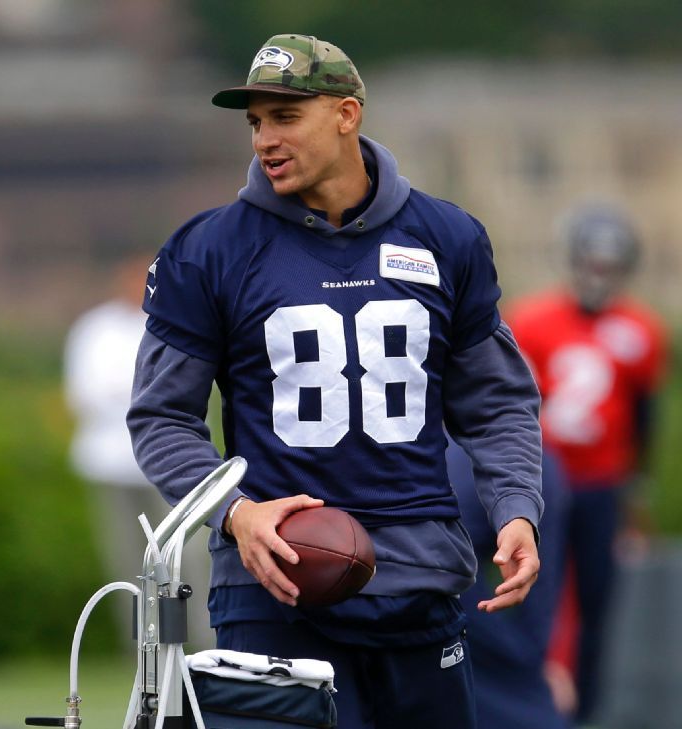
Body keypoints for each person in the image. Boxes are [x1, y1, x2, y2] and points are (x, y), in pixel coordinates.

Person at [128, 34, 543, 729]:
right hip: (276, 585)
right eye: (255, 121)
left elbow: (496, 401)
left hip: (419, 578)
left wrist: (517, 509)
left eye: (285, 117)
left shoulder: (447, 238)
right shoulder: (209, 250)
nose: (265, 138)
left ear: (347, 114)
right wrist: (238, 512)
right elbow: (161, 417)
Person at [507, 205, 668, 724]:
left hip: (602, 482)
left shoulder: (641, 329)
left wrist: (634, 490)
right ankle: (530, 701)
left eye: (610, 265)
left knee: (598, 599)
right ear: (574, 261)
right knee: (536, 594)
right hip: (543, 480)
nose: (599, 275)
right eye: (592, 262)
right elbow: (506, 409)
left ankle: (587, 710)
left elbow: (644, 417)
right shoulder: (532, 321)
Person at [64, 254, 213, 647]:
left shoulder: (171, 325)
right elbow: (87, 394)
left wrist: (133, 394)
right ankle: (142, 647)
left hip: (168, 464)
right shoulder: (95, 329)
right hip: (111, 465)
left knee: (186, 558)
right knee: (127, 563)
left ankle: (201, 640)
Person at [447, 438, 570, 729]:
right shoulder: (541, 466)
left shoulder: (441, 445)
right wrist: (534, 664)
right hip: (443, 588)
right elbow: (539, 594)